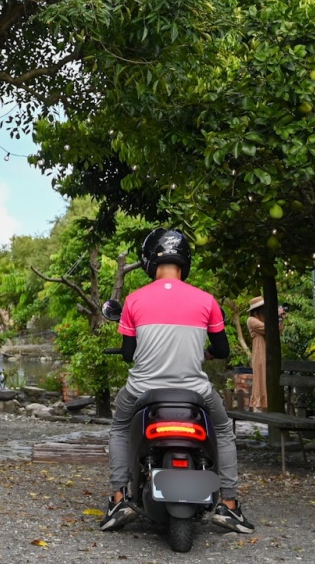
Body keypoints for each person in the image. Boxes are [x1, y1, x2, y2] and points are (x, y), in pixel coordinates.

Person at [99, 228, 254, 536]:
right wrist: (204, 352)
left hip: (142, 390)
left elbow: (128, 355)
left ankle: (119, 499)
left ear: (148, 261)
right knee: (223, 431)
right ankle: (231, 505)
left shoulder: (133, 300)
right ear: (185, 262)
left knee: (118, 427)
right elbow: (222, 350)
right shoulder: (206, 300)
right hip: (194, 391)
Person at [245, 296, 269, 411]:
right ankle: (260, 404)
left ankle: (267, 402)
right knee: (261, 374)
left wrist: (281, 319)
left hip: (267, 349)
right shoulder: (251, 320)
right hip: (259, 350)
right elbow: (268, 329)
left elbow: (277, 330)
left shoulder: (263, 320)